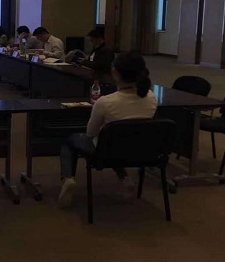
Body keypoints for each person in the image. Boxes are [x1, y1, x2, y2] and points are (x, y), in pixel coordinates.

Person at [57, 52, 157, 208]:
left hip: (107, 151)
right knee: (117, 141)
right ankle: (125, 179)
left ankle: (68, 178)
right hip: (140, 150)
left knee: (70, 140)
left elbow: (90, 133)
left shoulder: (105, 102)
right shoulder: (151, 97)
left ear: (115, 73)